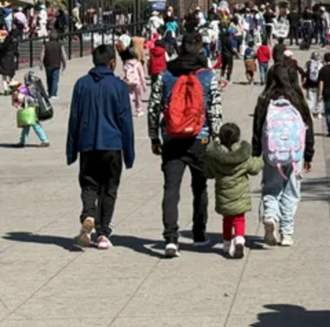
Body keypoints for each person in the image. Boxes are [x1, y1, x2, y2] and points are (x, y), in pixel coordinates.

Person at [148, 32, 222, 258]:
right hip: (200, 138)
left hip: (171, 138)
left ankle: (171, 238)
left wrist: (154, 136)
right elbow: (215, 111)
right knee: (200, 187)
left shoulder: (165, 74)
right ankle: (199, 233)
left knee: (171, 188)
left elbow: (153, 108)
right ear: (201, 50)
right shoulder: (209, 76)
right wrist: (215, 137)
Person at [67, 45, 135, 249]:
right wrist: (129, 153)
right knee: (109, 188)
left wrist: (71, 150)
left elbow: (74, 119)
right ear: (112, 62)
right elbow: (125, 122)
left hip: (87, 145)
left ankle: (89, 213)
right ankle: (103, 233)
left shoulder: (81, 85)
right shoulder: (119, 86)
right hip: (112, 145)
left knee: (89, 184)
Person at [252, 62, 315, 248]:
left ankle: (270, 215)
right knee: (291, 191)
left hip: (272, 153)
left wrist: (256, 152)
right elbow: (308, 128)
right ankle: (286, 233)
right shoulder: (296, 98)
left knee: (271, 188)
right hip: (295, 154)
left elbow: (256, 128)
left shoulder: (265, 99)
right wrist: (309, 154)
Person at [204, 122, 263, 258]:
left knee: (227, 218)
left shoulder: (215, 155)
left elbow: (208, 173)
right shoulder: (242, 154)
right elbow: (254, 168)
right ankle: (239, 240)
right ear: (238, 137)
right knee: (239, 218)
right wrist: (260, 160)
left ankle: (226, 243)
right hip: (240, 193)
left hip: (223, 193)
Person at [10, 76, 50, 148]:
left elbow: (18, 98)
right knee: (27, 125)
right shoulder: (33, 87)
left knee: (35, 125)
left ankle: (45, 141)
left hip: (30, 110)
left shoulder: (26, 89)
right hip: (33, 109)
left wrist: (15, 95)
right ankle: (22, 141)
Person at [121, 45, 147, 118]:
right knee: (138, 97)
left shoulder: (126, 63)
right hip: (137, 82)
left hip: (128, 82)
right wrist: (144, 84)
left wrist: (122, 81)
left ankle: (129, 110)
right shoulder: (138, 64)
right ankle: (139, 110)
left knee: (130, 96)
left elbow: (123, 74)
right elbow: (141, 75)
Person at [39, 31, 67, 100]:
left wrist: (41, 63)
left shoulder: (46, 44)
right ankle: (53, 94)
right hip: (56, 64)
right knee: (55, 79)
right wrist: (64, 65)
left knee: (49, 79)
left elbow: (42, 54)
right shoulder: (59, 45)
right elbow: (63, 56)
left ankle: (49, 92)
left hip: (48, 64)